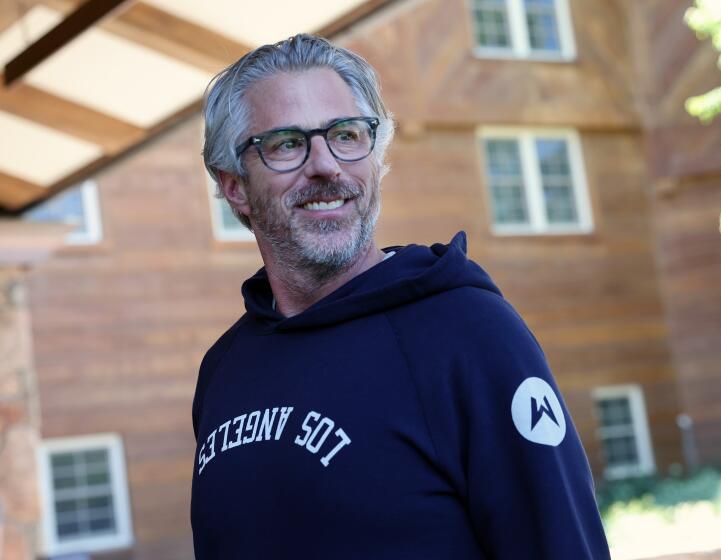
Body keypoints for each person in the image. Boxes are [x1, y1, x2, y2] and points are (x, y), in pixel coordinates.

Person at [191, 34, 610, 559]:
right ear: (234, 186)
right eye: (286, 144)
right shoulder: (227, 368)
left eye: (346, 135)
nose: (325, 165)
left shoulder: (467, 334)